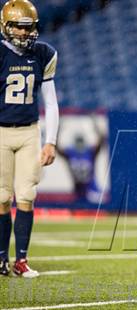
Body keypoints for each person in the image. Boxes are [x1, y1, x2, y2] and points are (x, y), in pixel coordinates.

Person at [0, 0, 59, 278]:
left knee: (26, 195)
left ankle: (21, 260)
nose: (24, 33)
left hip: (29, 131)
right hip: (0, 131)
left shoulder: (43, 53)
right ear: (6, 26)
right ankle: (1, 258)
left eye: (29, 27)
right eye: (19, 27)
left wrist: (51, 140)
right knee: (1, 197)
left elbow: (51, 101)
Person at [56, 117, 105, 203]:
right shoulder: (70, 154)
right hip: (78, 194)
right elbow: (56, 148)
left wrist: (96, 126)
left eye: (81, 141)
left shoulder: (90, 152)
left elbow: (101, 141)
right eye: (78, 142)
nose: (79, 144)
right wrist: (57, 129)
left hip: (92, 192)